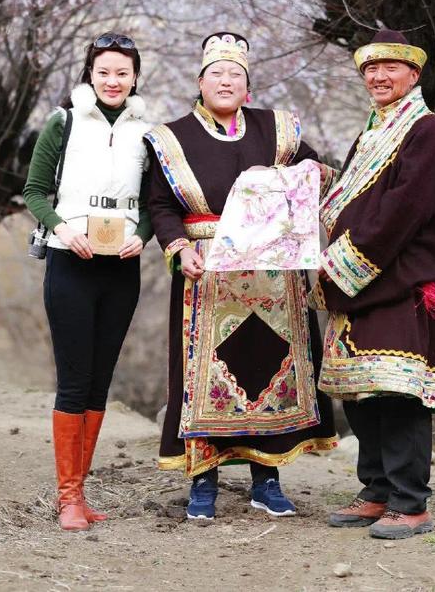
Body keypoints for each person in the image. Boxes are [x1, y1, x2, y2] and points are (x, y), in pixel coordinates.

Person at [145, 32, 337, 521]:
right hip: (206, 273)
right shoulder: (173, 137)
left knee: (266, 367)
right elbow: (162, 207)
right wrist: (178, 247)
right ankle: (203, 482)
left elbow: (314, 176)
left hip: (273, 276)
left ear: (247, 85)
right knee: (203, 378)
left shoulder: (278, 130)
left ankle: (266, 480)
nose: (226, 81)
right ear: (200, 82)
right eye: (217, 74)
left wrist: (313, 172)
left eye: (236, 75)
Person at [311, 28, 435, 540]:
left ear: (413, 75)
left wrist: (344, 264)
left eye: (391, 68)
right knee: (362, 392)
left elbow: (403, 210)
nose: (379, 76)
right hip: (363, 281)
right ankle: (376, 491)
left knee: (397, 392)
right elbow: (359, 196)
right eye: (371, 70)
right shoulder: (372, 132)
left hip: (396, 275)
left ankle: (410, 502)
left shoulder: (427, 131)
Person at [23, 32, 152, 531]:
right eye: (104, 72)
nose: (113, 81)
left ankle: (83, 490)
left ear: (135, 76)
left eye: (122, 72)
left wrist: (143, 236)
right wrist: (62, 228)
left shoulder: (148, 130)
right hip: (70, 261)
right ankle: (68, 497)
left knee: (101, 379)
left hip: (122, 266)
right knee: (75, 379)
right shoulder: (64, 121)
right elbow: (35, 191)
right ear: (90, 74)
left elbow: (151, 203)